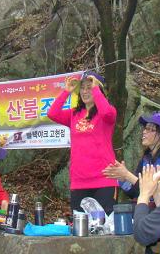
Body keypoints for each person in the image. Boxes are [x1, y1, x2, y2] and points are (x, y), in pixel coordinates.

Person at [48, 70, 118, 215]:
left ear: (98, 89)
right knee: (81, 229)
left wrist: (96, 89)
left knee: (104, 228)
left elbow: (106, 112)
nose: (85, 91)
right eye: (83, 88)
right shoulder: (74, 114)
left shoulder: (108, 113)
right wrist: (66, 91)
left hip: (103, 179)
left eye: (90, 87)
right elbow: (52, 114)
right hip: (79, 180)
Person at [102, 111, 160, 199]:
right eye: (145, 128)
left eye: (151, 129)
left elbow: (154, 192)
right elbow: (135, 193)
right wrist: (122, 179)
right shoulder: (146, 159)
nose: (144, 132)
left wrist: (127, 175)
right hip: (149, 210)